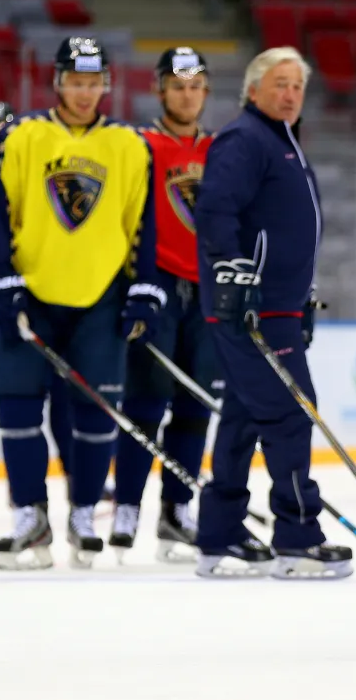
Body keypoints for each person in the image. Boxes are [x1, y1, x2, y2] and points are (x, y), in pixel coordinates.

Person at [0, 37, 164, 571]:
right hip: (31, 295)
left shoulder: (130, 146)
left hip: (99, 300)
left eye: (94, 82)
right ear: (57, 82)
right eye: (76, 81)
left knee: (95, 412)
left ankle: (83, 512)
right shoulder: (22, 136)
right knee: (15, 405)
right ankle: (29, 515)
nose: (85, 93)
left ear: (106, 84)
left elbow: (141, 225)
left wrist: (144, 290)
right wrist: (0, 278)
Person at [193, 46, 349, 580]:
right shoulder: (245, 139)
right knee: (289, 412)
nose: (290, 94)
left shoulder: (282, 142)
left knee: (242, 416)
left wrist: (298, 297)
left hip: (278, 308)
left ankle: (219, 534)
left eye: (298, 86)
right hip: (251, 309)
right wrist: (233, 271)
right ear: (254, 90)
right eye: (280, 84)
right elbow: (214, 208)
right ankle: (297, 536)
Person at [108, 47, 222, 563]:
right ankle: (127, 508)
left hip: (207, 293)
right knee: (145, 403)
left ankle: (177, 511)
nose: (186, 94)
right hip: (156, 286)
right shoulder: (139, 144)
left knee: (194, 406)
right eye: (176, 86)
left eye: (195, 86)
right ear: (159, 90)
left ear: (205, 92)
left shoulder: (221, 150)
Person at [0, 102, 75, 484]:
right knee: (20, 398)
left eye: (7, 134)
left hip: (50, 309)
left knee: (66, 395)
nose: (0, 142)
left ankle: (76, 475)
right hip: (0, 316)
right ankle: (23, 486)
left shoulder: (41, 181)